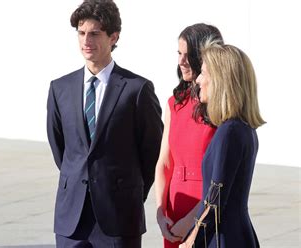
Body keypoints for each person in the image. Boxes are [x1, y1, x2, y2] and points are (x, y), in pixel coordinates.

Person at [46, 1, 163, 247]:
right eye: (81, 33)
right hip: (72, 221)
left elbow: (151, 153)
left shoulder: (137, 89)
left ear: (113, 37)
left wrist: (127, 193)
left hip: (119, 218)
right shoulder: (60, 89)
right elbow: (61, 150)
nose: (86, 40)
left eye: (94, 33)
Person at [154, 23, 224, 247]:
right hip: (174, 210)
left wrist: (192, 220)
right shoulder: (174, 104)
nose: (181, 61)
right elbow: (164, 162)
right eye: (179, 54)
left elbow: (220, 178)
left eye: (188, 55)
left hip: (206, 208)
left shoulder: (220, 109)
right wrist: (160, 213)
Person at [189, 41, 265, 247]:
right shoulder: (243, 129)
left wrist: (192, 241)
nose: (197, 80)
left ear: (220, 80)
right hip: (235, 234)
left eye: (203, 73)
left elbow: (215, 201)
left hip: (223, 238)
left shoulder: (229, 131)